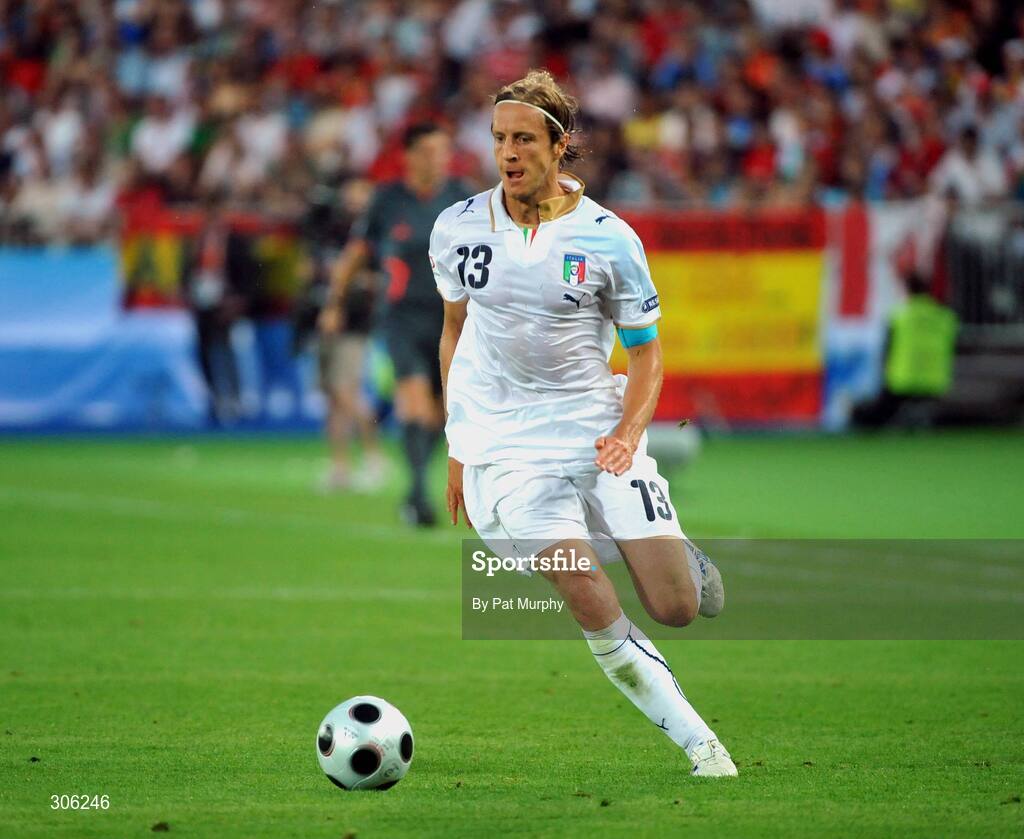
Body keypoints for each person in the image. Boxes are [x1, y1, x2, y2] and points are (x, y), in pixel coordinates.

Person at [432, 70, 737, 778]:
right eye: (499, 138)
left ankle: (681, 557)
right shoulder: (456, 227)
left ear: (559, 145)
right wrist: (459, 441)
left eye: (524, 139)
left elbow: (647, 354)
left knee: (676, 607)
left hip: (596, 432)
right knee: (586, 588)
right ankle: (702, 744)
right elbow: (454, 332)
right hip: (509, 453)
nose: (508, 153)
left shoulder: (610, 239)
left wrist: (630, 434)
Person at [323, 123, 467, 523]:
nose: (437, 159)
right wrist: (334, 301)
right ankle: (419, 494)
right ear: (409, 156)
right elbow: (356, 253)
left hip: (453, 320)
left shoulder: (461, 200)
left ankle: (415, 489)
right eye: (428, 151)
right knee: (415, 401)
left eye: (442, 151)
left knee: (443, 413)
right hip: (403, 318)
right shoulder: (387, 201)